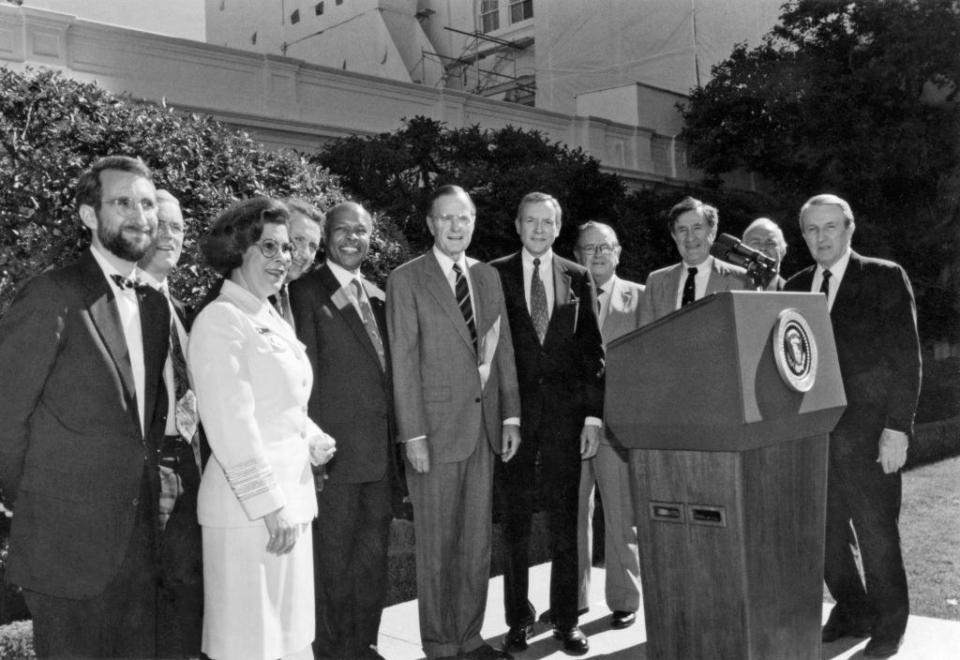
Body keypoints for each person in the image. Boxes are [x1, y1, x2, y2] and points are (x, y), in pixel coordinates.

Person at [0, 155, 169, 658]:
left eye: (146, 203)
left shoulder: (156, 306)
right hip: (64, 546)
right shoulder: (51, 295)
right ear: (90, 217)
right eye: (122, 203)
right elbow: (6, 416)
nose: (140, 216)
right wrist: (35, 498)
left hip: (141, 548)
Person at [187, 197, 337, 660]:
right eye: (267, 248)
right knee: (250, 645)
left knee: (289, 640)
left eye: (286, 248)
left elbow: (278, 404)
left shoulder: (266, 313)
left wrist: (312, 435)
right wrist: (270, 506)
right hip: (250, 513)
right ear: (237, 250)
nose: (282, 260)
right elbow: (230, 423)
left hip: (290, 504)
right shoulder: (221, 320)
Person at [387, 184, 521, 660]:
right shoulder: (407, 279)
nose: (455, 226)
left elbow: (500, 349)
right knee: (437, 549)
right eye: (446, 218)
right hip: (434, 434)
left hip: (482, 430)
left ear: (474, 221)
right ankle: (441, 645)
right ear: (429, 224)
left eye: (463, 218)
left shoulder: (486, 277)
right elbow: (403, 360)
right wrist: (413, 435)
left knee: (475, 544)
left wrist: (510, 415)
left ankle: (470, 637)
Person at [785, 194, 921, 659]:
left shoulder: (883, 276)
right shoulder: (796, 284)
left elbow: (908, 359)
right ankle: (852, 607)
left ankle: (889, 624)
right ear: (803, 235)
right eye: (811, 230)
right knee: (824, 536)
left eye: (829, 228)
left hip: (870, 436)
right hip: (814, 437)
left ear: (849, 229)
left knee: (877, 533)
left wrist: (897, 429)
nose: (820, 238)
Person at [491, 192, 605, 656]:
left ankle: (565, 618)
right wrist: (504, 413)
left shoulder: (577, 277)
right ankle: (517, 619)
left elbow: (592, 354)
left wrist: (593, 417)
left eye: (548, 223)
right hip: (513, 422)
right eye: (530, 221)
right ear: (517, 226)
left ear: (559, 228)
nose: (539, 230)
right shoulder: (492, 275)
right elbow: (488, 351)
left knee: (565, 521)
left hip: (565, 421)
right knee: (515, 522)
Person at [289, 202, 397, 660]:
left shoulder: (378, 294)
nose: (352, 238)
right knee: (332, 568)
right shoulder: (304, 292)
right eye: (342, 230)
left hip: (378, 462)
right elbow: (302, 382)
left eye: (362, 230)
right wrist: (312, 453)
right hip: (333, 462)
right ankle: (333, 652)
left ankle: (364, 645)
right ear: (327, 236)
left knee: (372, 564)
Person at [137, 190, 204, 658]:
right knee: (150, 592)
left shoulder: (181, 309)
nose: (169, 236)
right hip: (149, 467)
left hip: (190, 463)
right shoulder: (121, 304)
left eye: (178, 227)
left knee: (187, 588)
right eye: (160, 224)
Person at [572, 221, 643, 631]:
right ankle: (574, 598)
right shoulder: (565, 297)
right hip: (574, 425)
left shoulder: (643, 296)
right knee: (574, 512)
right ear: (577, 254)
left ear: (618, 252)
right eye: (588, 248)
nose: (597, 255)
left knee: (621, 515)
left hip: (619, 427)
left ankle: (624, 598)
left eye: (605, 248)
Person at [639, 196, 749, 325]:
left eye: (697, 228)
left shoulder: (740, 279)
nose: (690, 237)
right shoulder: (656, 281)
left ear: (712, 232)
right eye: (682, 230)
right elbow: (644, 340)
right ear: (674, 236)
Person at [273, 199, 324, 328]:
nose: (306, 253)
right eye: (299, 239)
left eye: (313, 247)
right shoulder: (249, 290)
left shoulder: (301, 304)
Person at [742, 217, 787, 290]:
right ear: (742, 251)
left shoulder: (799, 293)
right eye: (756, 242)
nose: (763, 248)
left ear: (783, 251)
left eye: (770, 243)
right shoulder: (727, 289)